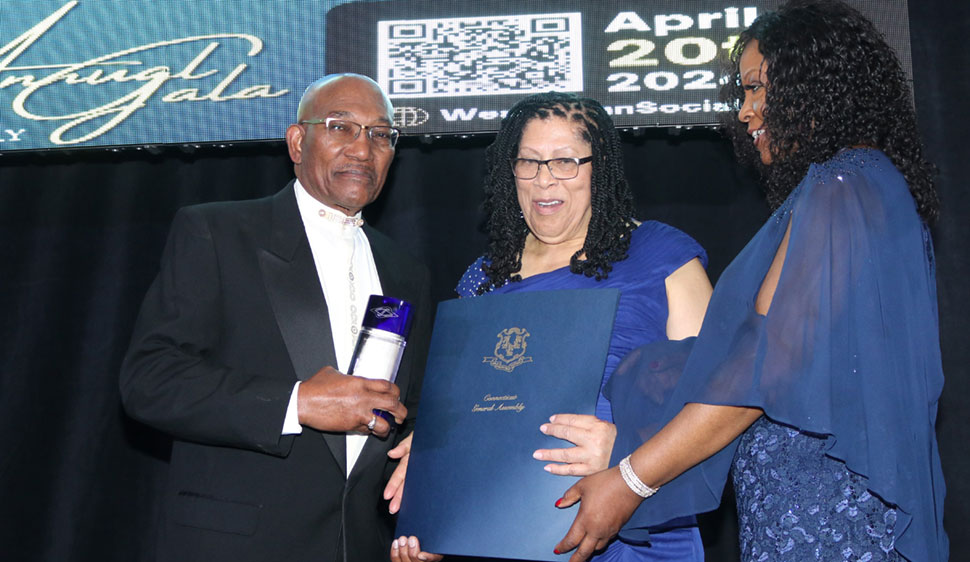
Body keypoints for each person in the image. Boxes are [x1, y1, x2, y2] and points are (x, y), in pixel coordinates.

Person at [551, 2, 948, 561]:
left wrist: (630, 480)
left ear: (816, 85)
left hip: (826, 527)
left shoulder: (840, 186)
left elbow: (757, 370)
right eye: (743, 92)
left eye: (758, 89)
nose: (745, 110)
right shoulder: (866, 188)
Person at [386, 93, 713, 562]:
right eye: (529, 162)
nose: (544, 180)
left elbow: (719, 404)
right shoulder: (484, 278)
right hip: (507, 537)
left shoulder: (662, 256)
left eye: (564, 162)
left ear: (599, 168)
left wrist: (630, 455)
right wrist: (438, 474)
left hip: (635, 531)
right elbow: (472, 414)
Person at [119, 74, 432, 562]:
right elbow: (150, 380)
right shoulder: (218, 232)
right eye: (341, 127)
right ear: (297, 140)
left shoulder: (406, 271)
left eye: (380, 134)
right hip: (238, 545)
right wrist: (296, 402)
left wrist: (422, 448)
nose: (363, 149)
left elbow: (410, 407)